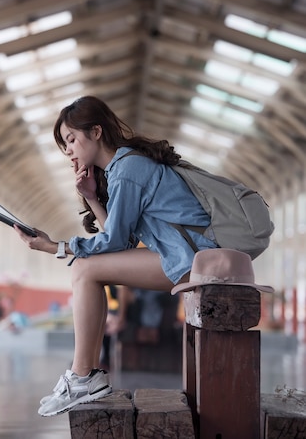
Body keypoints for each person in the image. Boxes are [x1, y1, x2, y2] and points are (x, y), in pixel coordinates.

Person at [14, 95, 217, 417]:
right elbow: (120, 242)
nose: (68, 151)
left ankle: (82, 377)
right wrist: (93, 198)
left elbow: (115, 240)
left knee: (83, 268)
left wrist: (55, 247)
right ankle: (84, 376)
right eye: (64, 144)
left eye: (71, 139)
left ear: (96, 132)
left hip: (196, 260)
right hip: (188, 258)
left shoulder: (128, 168)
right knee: (85, 268)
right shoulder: (127, 165)